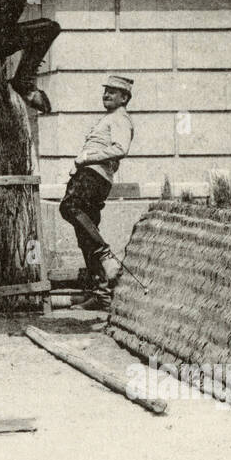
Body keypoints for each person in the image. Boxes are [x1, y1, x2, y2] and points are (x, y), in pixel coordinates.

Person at [60, 75, 134, 311]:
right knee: (85, 234)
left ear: (125, 97)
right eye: (106, 91)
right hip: (92, 176)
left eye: (113, 92)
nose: (106, 95)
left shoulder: (120, 119)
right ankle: (100, 294)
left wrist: (87, 158)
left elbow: (121, 149)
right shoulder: (110, 118)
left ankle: (106, 255)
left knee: (69, 207)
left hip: (93, 176)